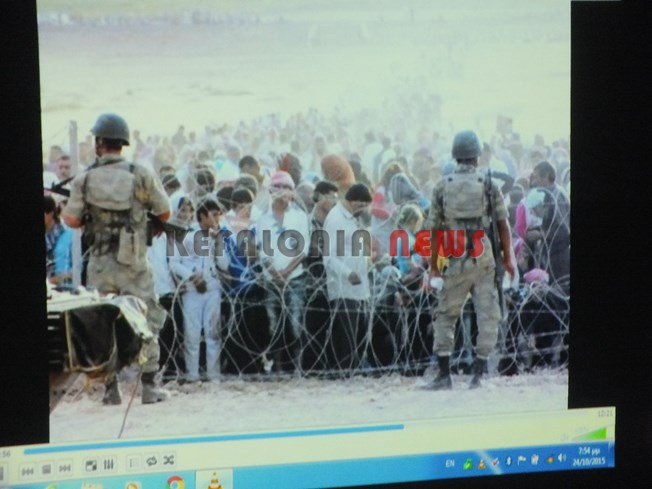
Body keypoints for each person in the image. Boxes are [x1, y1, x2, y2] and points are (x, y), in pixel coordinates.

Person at [62, 113, 172, 404]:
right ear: (123, 142)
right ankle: (149, 386)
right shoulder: (141, 174)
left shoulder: (84, 178)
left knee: (102, 324)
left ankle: (111, 389)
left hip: (100, 262)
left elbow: (71, 220)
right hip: (133, 262)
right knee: (146, 318)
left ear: (99, 142)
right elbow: (165, 212)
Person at [426, 130, 515, 390]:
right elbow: (503, 225)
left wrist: (434, 266)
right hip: (482, 254)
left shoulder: (442, 185)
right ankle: (479, 373)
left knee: (446, 314)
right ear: (477, 156)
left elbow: (434, 231)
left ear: (455, 156)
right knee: (488, 314)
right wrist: (508, 259)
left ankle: (444, 375)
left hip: (454, 254)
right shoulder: (488, 183)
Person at [169, 198, 229, 382]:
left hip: (212, 290)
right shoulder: (185, 235)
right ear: (202, 216)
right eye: (214, 215)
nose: (217, 219)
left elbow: (224, 265)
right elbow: (174, 263)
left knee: (213, 334)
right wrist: (192, 277)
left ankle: (213, 375)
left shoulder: (216, 236)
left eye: (219, 215)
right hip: (192, 292)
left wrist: (218, 242)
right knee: (192, 335)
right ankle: (192, 375)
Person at [323, 183, 373, 374]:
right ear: (353, 202)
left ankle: (353, 372)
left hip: (360, 289)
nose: (363, 210)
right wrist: (348, 273)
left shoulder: (354, 219)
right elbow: (329, 258)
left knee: (359, 336)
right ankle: (344, 374)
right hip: (344, 289)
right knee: (346, 339)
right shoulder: (336, 220)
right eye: (362, 206)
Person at [44, 195, 73, 286]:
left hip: (65, 287)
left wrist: (56, 279)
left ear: (51, 213)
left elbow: (77, 268)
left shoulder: (68, 235)